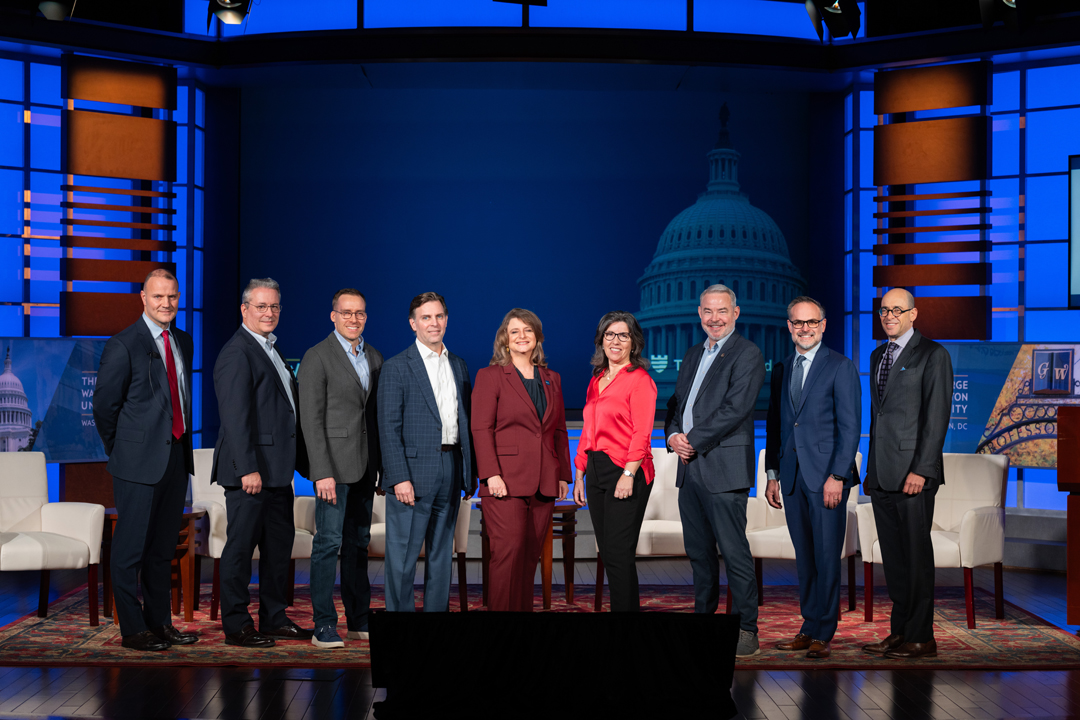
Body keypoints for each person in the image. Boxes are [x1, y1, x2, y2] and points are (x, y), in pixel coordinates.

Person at [93, 269, 198, 652]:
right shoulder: (122, 344)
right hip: (136, 462)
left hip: (175, 459)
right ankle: (133, 630)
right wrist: (121, 449)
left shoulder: (183, 340)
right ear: (143, 298)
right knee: (129, 551)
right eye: (158, 297)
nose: (166, 304)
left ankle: (159, 623)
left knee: (162, 549)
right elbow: (104, 407)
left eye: (171, 297)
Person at [664, 284, 765, 657]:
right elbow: (676, 405)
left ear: (735, 313)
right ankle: (703, 622)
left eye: (722, 311)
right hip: (689, 469)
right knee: (699, 554)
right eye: (708, 311)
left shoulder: (748, 353)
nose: (715, 318)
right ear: (699, 313)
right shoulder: (693, 354)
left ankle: (745, 628)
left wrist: (689, 439)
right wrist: (673, 434)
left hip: (724, 468)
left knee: (734, 553)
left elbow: (735, 409)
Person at [212, 278, 311, 648]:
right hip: (250, 473)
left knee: (277, 549)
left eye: (274, 307)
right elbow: (235, 418)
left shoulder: (271, 348)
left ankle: (273, 618)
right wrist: (247, 467)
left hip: (277, 472)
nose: (268, 313)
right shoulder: (238, 352)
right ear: (244, 309)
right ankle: (237, 625)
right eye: (261, 307)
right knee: (240, 550)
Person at [765, 296, 861, 660]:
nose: (804, 328)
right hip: (790, 478)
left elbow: (850, 428)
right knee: (804, 558)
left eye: (811, 322)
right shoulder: (783, 367)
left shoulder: (840, 366)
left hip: (826, 480)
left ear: (823, 325)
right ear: (789, 326)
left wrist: (838, 475)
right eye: (797, 322)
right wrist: (773, 474)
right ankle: (808, 625)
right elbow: (777, 426)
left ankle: (825, 631)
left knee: (825, 557)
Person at [862, 288, 952, 660]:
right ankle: (899, 631)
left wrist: (921, 469)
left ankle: (921, 637)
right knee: (895, 562)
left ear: (914, 314)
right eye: (884, 310)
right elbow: (879, 417)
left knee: (916, 559)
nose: (889, 315)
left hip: (913, 475)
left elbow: (936, 419)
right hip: (881, 474)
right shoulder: (877, 354)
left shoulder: (933, 355)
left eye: (897, 309)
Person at [378, 292, 476, 612]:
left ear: (446, 320)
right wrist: (398, 478)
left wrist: (468, 473)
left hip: (450, 468)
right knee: (403, 559)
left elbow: (465, 422)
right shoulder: (396, 367)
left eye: (438, 317)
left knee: (440, 557)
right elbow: (387, 429)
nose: (433, 323)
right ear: (413, 323)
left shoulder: (459, 365)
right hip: (411, 476)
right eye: (425, 317)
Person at [298, 289, 383, 648]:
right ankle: (323, 625)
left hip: (364, 469)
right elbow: (310, 421)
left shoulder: (374, 357)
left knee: (357, 545)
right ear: (333, 316)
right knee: (327, 543)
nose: (353, 319)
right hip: (332, 469)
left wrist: (381, 468)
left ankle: (359, 619)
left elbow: (374, 418)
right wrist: (321, 471)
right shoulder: (317, 357)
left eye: (360, 313)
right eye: (346, 313)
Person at [472, 309, 571, 611]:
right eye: (515, 331)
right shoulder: (489, 376)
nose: (522, 336)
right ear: (505, 339)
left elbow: (559, 430)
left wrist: (563, 475)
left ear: (538, 337)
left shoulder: (552, 378)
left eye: (528, 330)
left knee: (529, 555)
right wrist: (491, 475)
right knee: (508, 553)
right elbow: (480, 428)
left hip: (544, 481)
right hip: (505, 481)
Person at [572, 311, 657, 612]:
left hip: (626, 471)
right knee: (610, 554)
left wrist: (628, 474)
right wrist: (579, 474)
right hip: (595, 470)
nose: (616, 341)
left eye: (623, 335)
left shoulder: (640, 380)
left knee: (619, 553)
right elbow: (588, 430)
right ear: (601, 340)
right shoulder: (596, 380)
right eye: (610, 335)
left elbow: (642, 432)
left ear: (634, 342)